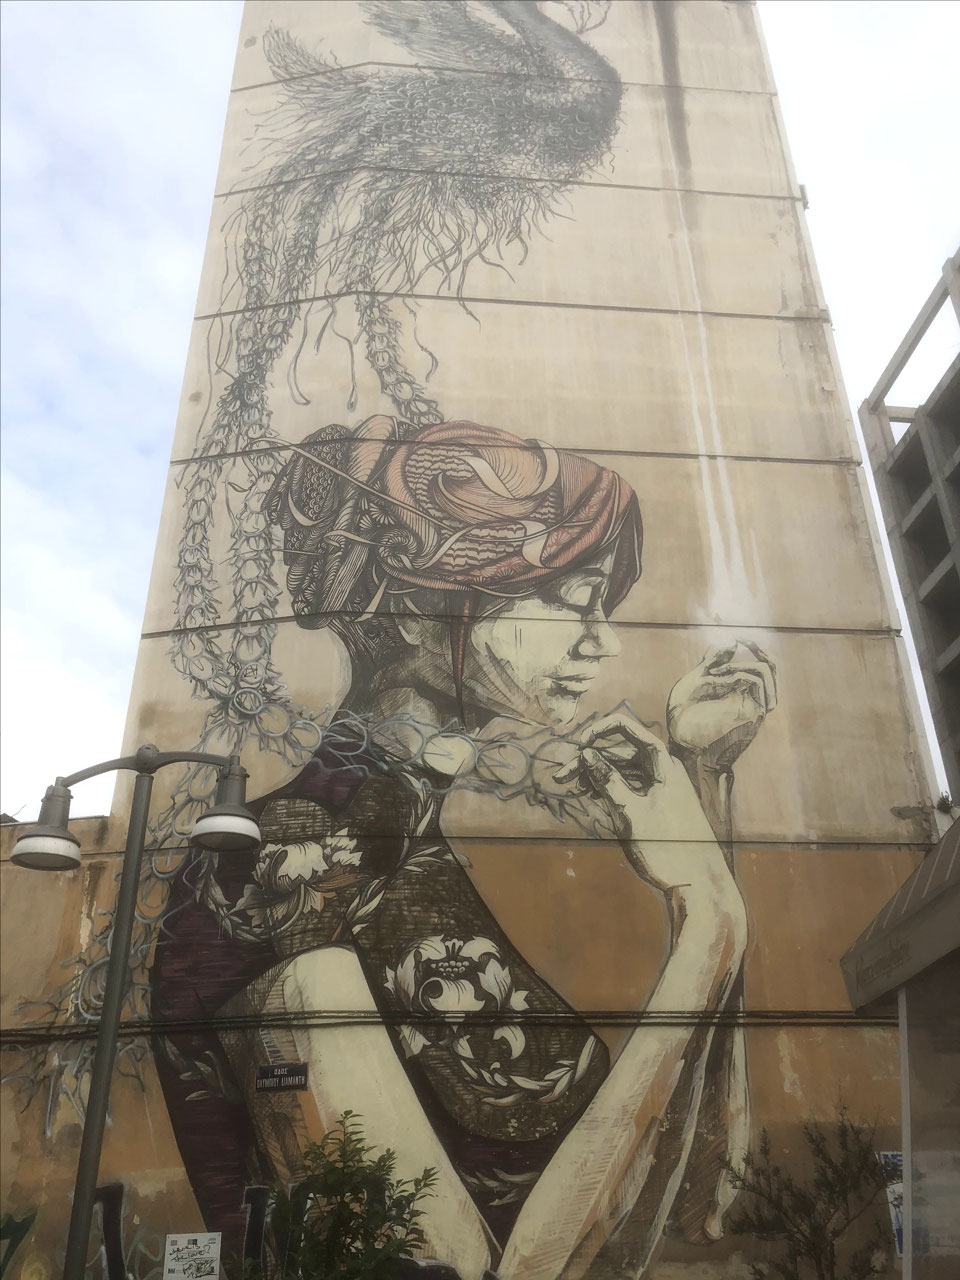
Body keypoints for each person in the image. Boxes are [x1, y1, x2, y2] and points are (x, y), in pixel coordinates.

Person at [151, 416, 776, 1279]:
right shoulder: (265, 876)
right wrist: (709, 918)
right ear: (421, 607)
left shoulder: (413, 850)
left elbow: (703, 1199)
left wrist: (705, 788)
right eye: (570, 598)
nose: (603, 640)